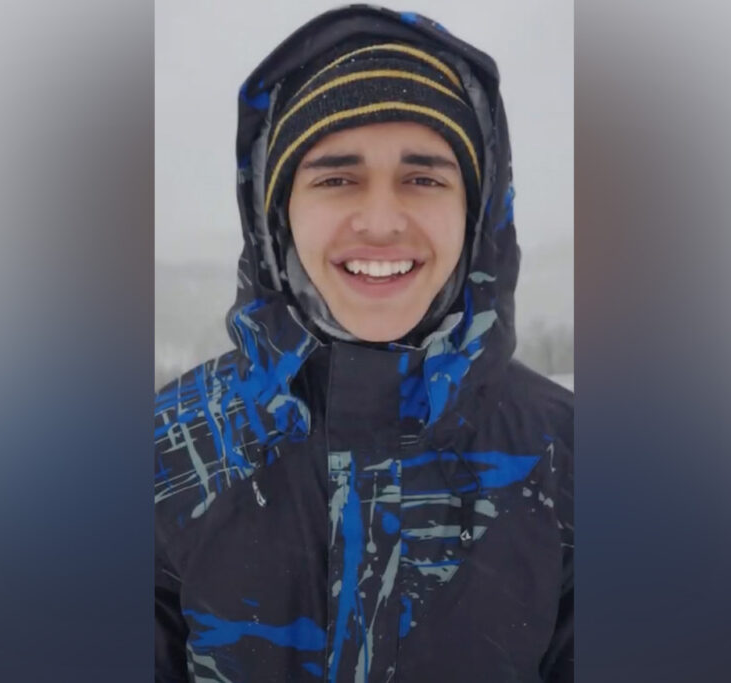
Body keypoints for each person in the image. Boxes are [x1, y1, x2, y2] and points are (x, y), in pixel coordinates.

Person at [154, 6, 573, 681]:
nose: (380, 220)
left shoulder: (567, 458)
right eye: (336, 177)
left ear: (476, 210)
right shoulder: (166, 452)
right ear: (278, 211)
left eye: (424, 177)